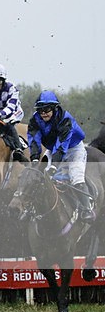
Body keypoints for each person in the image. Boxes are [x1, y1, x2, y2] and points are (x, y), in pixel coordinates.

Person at [28, 91, 95, 222]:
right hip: (53, 149)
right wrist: (35, 159)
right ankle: (31, 209)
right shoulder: (34, 120)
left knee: (76, 178)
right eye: (40, 110)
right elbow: (34, 140)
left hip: (74, 149)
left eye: (47, 109)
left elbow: (61, 146)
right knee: (39, 178)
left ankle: (87, 209)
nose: (43, 113)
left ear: (54, 108)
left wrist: (54, 166)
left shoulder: (65, 119)